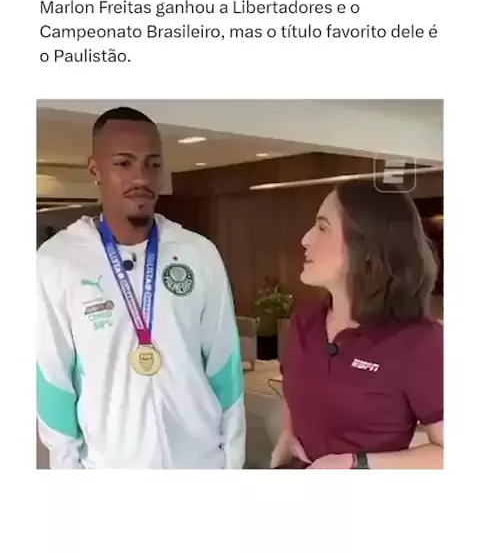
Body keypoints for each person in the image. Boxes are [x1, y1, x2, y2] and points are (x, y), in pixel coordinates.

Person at [36, 106, 245, 469]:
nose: (141, 177)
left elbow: (225, 367)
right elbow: (52, 381)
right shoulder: (57, 261)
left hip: (202, 465)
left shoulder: (198, 253)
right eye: (123, 163)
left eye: (153, 164)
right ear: (95, 170)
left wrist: (233, 463)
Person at [271, 180, 443, 469]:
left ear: (365, 246)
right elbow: (295, 390)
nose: (305, 239)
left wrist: (355, 463)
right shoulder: (305, 320)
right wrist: (287, 434)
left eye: (322, 227)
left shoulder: (420, 342)